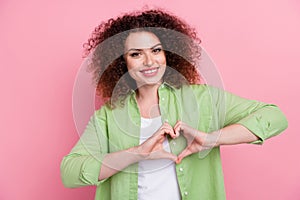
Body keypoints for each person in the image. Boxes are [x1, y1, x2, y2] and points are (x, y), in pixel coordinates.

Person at [60, 8, 288, 200]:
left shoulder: (202, 99)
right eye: (136, 54)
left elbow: (274, 117)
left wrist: (210, 139)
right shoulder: (107, 117)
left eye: (156, 50)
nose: (149, 61)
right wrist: (137, 153)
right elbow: (69, 173)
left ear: (168, 53)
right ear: (122, 63)